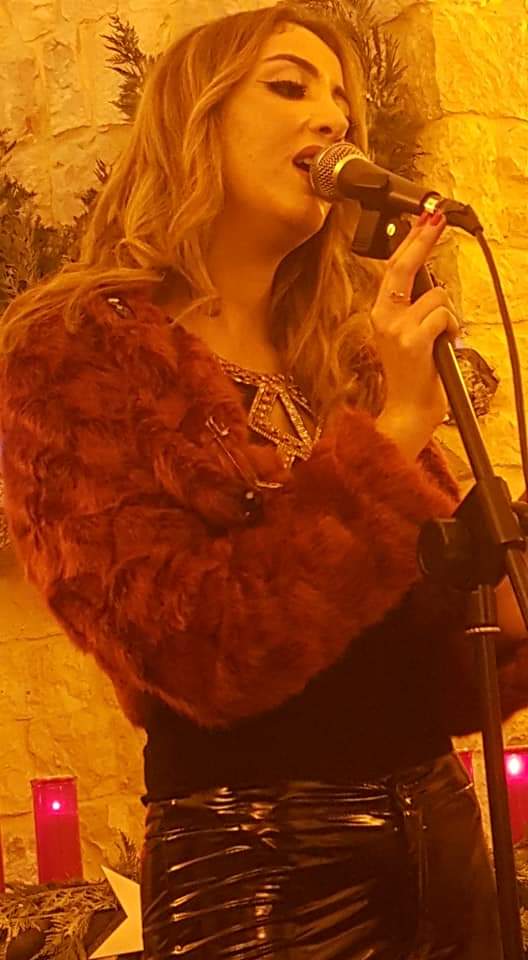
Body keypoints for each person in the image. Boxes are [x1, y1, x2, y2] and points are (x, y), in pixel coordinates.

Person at [1, 3, 527, 957]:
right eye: (289, 86)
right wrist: (395, 435)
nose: (333, 118)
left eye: (344, 103)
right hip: (259, 870)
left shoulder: (345, 362)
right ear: (193, 122)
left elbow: (461, 670)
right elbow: (203, 653)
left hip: (446, 850)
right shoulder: (74, 352)